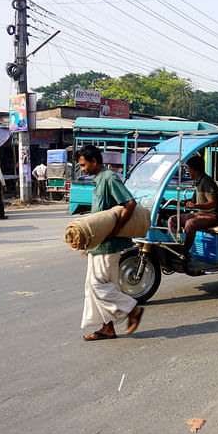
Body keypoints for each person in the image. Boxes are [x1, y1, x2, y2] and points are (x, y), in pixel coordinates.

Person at [77, 144, 144, 341]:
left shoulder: (109, 178)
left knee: (97, 286)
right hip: (98, 245)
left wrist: (115, 230)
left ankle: (133, 310)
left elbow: (129, 203)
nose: (82, 169)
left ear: (94, 161)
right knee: (98, 286)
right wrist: (88, 242)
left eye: (83, 165)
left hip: (108, 245)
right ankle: (107, 328)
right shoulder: (99, 180)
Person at [167, 155, 218, 258]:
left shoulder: (206, 182)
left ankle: (184, 252)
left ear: (194, 169)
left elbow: (213, 203)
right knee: (172, 219)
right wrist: (173, 202)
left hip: (214, 216)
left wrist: (195, 206)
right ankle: (178, 246)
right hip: (200, 214)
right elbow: (192, 201)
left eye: (188, 169)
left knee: (190, 224)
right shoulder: (199, 181)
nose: (188, 172)